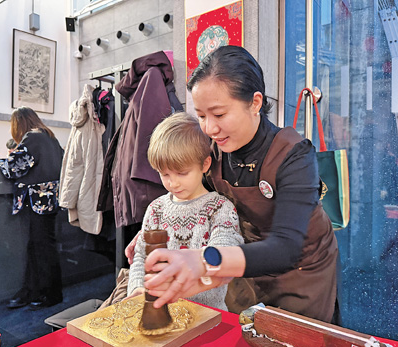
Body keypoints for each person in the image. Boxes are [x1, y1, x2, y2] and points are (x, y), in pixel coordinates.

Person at [127, 45, 339, 323]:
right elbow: (194, 197)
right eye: (201, 116)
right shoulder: (212, 152)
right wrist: (153, 230)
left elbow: (285, 249)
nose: (209, 129)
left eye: (219, 114)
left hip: (301, 273)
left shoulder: (294, 156)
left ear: (255, 103)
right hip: (239, 266)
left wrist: (204, 259)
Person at [111, 112, 243, 311]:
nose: (172, 182)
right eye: (164, 174)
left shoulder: (219, 209)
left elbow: (224, 250)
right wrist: (137, 289)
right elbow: (141, 256)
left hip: (207, 313)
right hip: (162, 310)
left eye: (182, 173)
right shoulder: (156, 209)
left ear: (204, 164)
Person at [0, 107, 64, 310]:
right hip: (50, 201)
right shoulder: (50, 137)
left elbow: (14, 167)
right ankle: (38, 291)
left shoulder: (32, 138)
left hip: (37, 202)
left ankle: (49, 294)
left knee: (40, 249)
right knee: (42, 248)